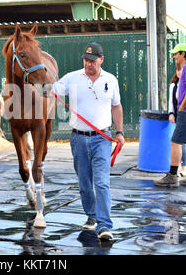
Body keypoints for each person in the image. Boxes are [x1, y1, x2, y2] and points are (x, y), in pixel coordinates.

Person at [51, 42, 125, 241]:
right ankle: (92, 215)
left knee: (101, 182)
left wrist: (119, 132)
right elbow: (51, 90)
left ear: (101, 60)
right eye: (86, 59)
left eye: (92, 60)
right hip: (78, 139)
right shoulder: (72, 78)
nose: (88, 63)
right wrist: (42, 86)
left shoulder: (111, 79)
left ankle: (104, 225)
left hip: (102, 138)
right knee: (84, 183)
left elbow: (116, 107)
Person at [154, 43, 186, 187]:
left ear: (183, 53)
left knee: (175, 142)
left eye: (176, 53)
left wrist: (182, 107)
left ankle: (172, 175)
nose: (174, 56)